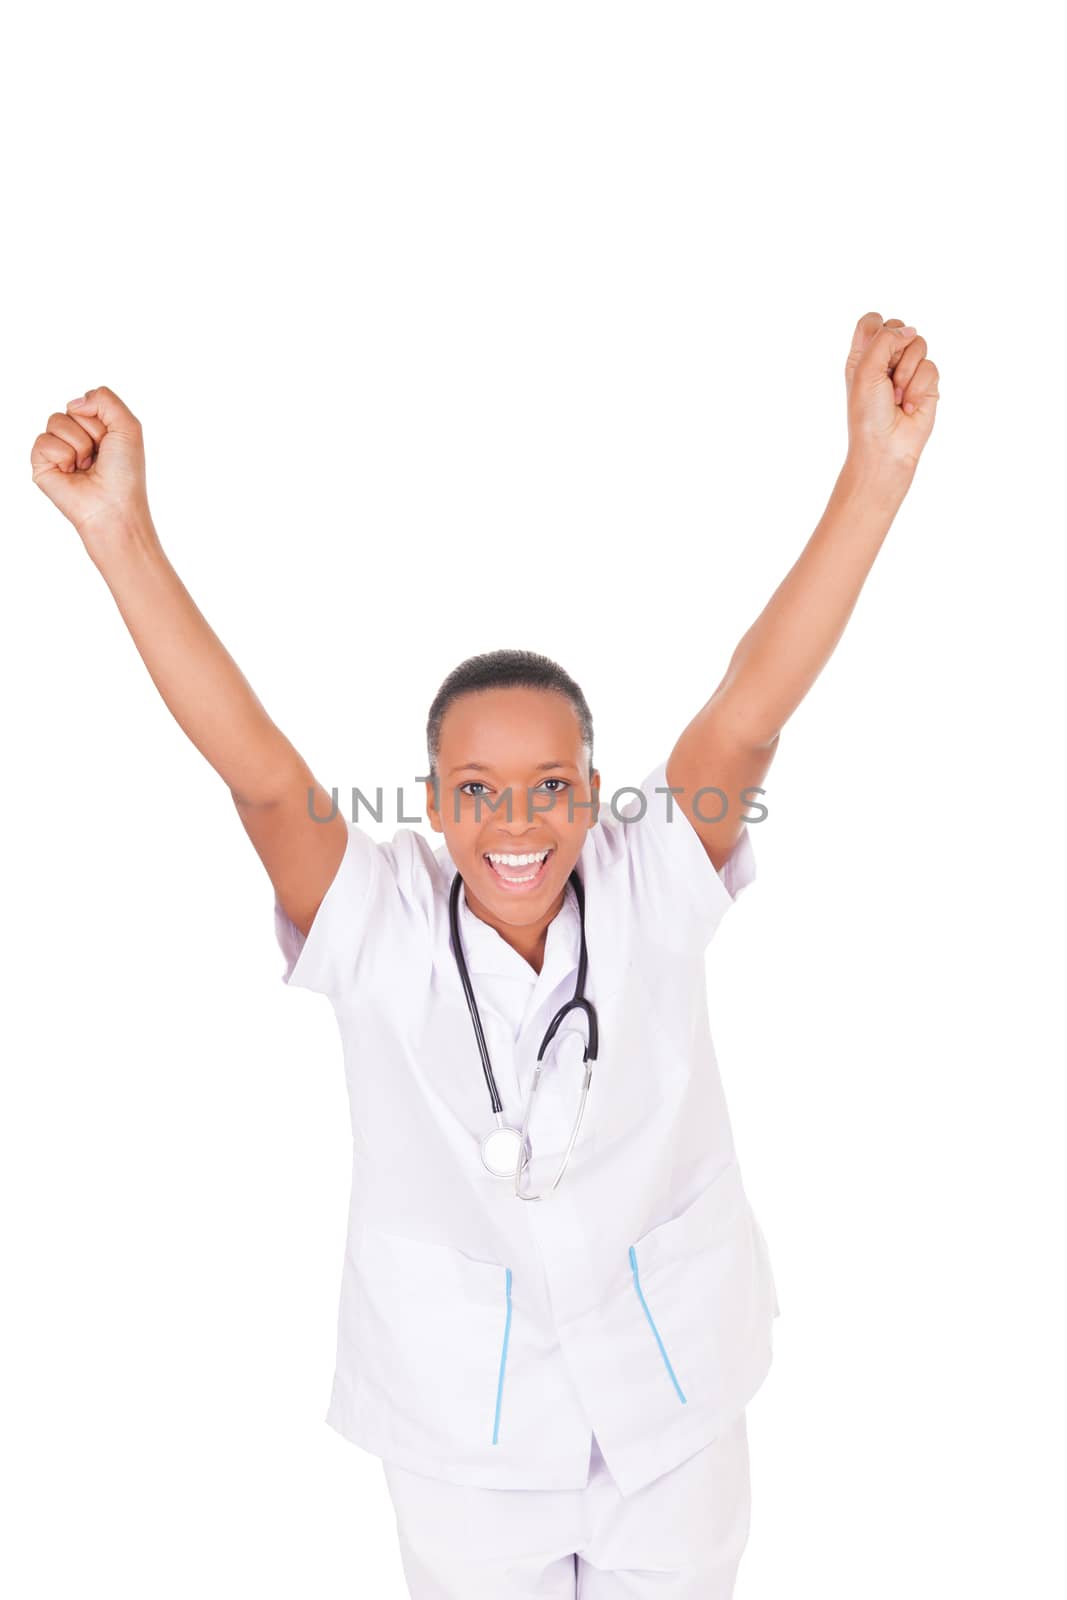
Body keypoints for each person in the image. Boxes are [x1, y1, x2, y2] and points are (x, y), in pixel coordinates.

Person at [30, 311, 939, 1598]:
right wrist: (121, 536)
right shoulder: (374, 924)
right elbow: (255, 766)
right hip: (465, 1418)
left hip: (670, 1394)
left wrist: (874, 473)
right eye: (478, 789)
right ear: (433, 801)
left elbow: (750, 700)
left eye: (549, 785)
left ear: (591, 789)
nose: (515, 823)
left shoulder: (654, 882)